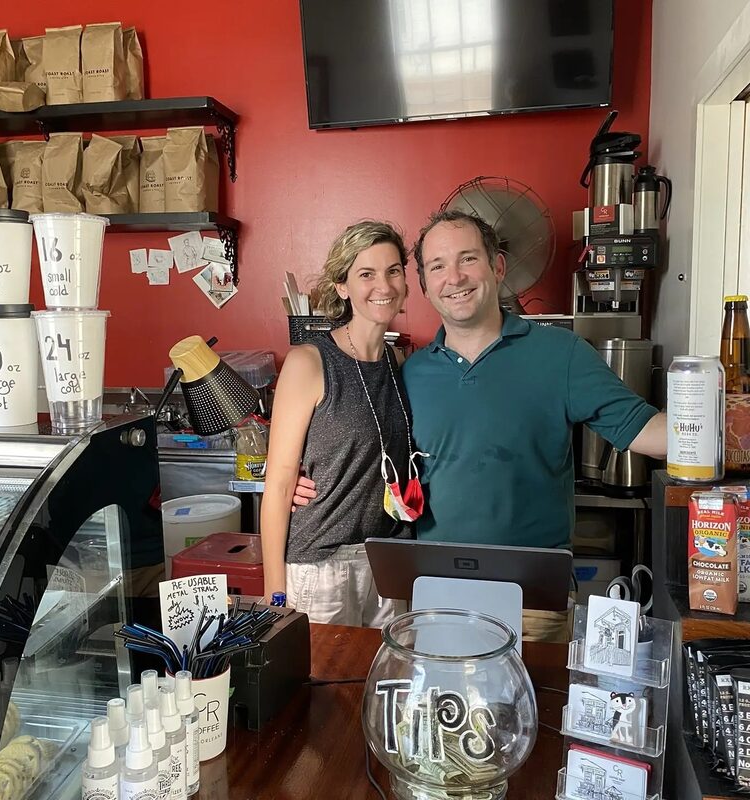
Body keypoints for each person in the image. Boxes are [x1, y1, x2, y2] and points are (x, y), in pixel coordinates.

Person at [295, 209, 667, 640]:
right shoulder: (410, 373)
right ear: (424, 285)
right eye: (437, 266)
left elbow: (647, 431)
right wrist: (295, 481)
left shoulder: (561, 354)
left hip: (532, 602)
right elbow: (367, 450)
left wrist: (719, 435)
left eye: (468, 259)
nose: (454, 278)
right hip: (432, 598)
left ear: (498, 266)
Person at [261, 220, 418, 627]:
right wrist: (274, 594)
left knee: (385, 667)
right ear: (342, 286)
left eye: (393, 271)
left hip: (386, 559)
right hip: (322, 566)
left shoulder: (397, 361)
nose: (383, 286)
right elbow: (279, 485)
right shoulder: (310, 362)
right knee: (323, 670)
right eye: (366, 274)